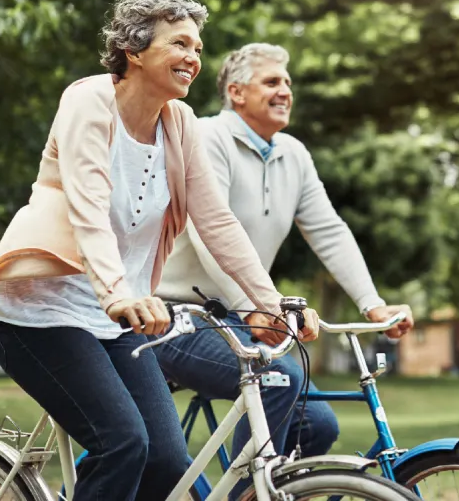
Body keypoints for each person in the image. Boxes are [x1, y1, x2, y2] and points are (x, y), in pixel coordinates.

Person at [0, 0, 319, 501]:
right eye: (180, 44)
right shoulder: (88, 100)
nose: (193, 59)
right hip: (41, 313)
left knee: (168, 462)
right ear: (134, 51)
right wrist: (116, 292)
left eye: (198, 49)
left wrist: (270, 304)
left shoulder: (180, 125)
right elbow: (88, 205)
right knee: (122, 443)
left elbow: (217, 222)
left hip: (120, 320)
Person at [154, 42, 415, 498]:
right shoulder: (207, 137)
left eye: (288, 83)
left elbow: (329, 232)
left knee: (317, 424)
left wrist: (372, 305)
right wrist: (252, 305)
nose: (285, 91)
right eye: (272, 82)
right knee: (281, 379)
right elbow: (208, 231)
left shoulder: (292, 154)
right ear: (236, 92)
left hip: (238, 316)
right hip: (175, 315)